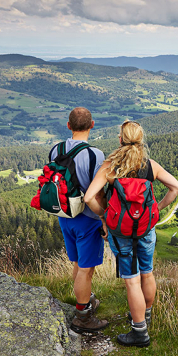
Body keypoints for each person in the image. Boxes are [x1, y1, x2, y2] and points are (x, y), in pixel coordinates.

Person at [84, 120, 178, 347]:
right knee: (147, 274)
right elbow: (175, 187)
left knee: (131, 281)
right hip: (146, 229)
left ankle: (139, 333)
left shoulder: (110, 167)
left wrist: (105, 215)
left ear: (120, 139)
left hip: (120, 231)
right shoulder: (149, 165)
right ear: (141, 139)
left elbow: (89, 197)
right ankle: (144, 316)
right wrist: (156, 210)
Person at [52, 107, 108, 333]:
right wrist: (103, 217)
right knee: (86, 269)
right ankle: (82, 316)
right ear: (92, 125)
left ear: (68, 126)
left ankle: (82, 301)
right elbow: (98, 192)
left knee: (77, 264)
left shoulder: (56, 149)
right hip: (87, 218)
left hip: (64, 215)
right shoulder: (96, 154)